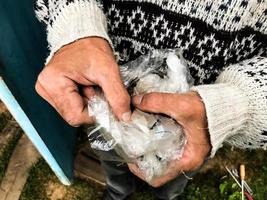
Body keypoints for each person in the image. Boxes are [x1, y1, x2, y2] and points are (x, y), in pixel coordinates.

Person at [33, 0, 267, 199]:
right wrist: (76, 28)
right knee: (113, 162)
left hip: (195, 128)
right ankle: (118, 192)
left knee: (173, 177)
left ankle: (166, 195)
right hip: (107, 107)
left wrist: (233, 106)